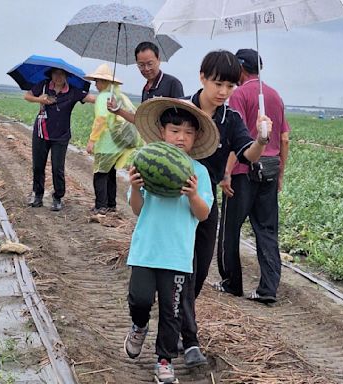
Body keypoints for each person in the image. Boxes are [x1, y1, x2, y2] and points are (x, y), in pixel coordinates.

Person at [179, 50, 272, 367]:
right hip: (176, 201)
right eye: (218, 83)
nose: (223, 92)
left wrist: (261, 138)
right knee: (183, 270)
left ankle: (179, 320)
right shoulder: (182, 110)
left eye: (230, 86)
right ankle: (188, 339)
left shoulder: (230, 120)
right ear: (202, 77)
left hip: (207, 203)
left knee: (200, 271)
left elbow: (248, 155)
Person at [123, 98, 218, 384]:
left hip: (177, 256)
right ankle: (139, 325)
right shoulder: (146, 160)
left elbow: (203, 215)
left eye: (188, 133)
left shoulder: (199, 173)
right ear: (163, 131)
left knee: (172, 312)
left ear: (196, 138)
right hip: (145, 250)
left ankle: (164, 361)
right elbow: (137, 208)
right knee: (139, 299)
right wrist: (135, 187)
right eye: (175, 130)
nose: (181, 137)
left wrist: (192, 195)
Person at [215, 49, 290, 303]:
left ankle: (231, 282)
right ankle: (268, 289)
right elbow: (284, 139)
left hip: (243, 172)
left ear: (240, 68)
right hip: (269, 170)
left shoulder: (239, 95)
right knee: (267, 231)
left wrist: (226, 172)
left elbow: (235, 138)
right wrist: (280, 174)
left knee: (230, 228)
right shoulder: (275, 96)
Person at [24, 67, 94, 211]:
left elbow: (91, 98)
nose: (58, 77)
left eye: (62, 74)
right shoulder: (43, 85)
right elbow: (27, 96)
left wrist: (108, 97)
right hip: (41, 132)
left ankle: (58, 198)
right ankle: (37, 196)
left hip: (61, 135)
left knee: (57, 167)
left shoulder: (73, 91)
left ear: (66, 76)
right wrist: (40, 99)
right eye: (55, 73)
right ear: (50, 75)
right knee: (38, 166)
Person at [84, 64, 141, 215]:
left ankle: (100, 206)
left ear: (104, 82)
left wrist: (92, 140)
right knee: (110, 174)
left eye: (97, 81)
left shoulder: (104, 97)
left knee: (100, 174)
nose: (96, 84)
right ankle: (111, 204)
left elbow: (101, 120)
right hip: (118, 145)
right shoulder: (119, 96)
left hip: (106, 144)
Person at [107, 41, 184, 123]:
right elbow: (141, 121)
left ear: (159, 60)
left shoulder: (172, 83)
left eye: (150, 64)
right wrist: (117, 110)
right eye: (141, 65)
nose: (146, 69)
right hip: (149, 135)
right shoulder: (146, 89)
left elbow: (183, 116)